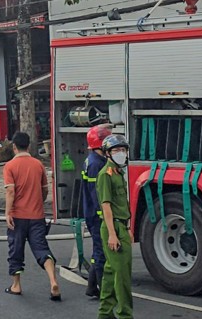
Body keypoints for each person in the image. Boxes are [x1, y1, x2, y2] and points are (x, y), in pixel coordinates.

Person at [3, 131, 61, 301]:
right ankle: (53, 281)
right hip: (37, 216)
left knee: (16, 251)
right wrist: (37, 202)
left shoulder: (10, 166)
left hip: (18, 216)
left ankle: (16, 285)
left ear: (14, 147)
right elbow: (45, 190)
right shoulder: (38, 165)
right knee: (42, 249)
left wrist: (7, 213)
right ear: (28, 146)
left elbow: (10, 192)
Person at [96, 134, 133, 319]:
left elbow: (122, 205)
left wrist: (128, 228)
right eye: (116, 150)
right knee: (122, 276)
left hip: (121, 227)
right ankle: (125, 314)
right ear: (108, 154)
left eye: (123, 150)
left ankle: (105, 313)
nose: (121, 153)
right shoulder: (105, 175)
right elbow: (106, 206)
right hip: (113, 228)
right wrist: (112, 234)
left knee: (111, 273)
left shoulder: (118, 173)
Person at [82, 124, 113, 298]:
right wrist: (105, 218)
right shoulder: (96, 164)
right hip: (97, 216)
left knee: (97, 251)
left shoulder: (94, 160)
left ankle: (92, 287)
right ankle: (104, 291)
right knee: (101, 252)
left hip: (93, 214)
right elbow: (97, 195)